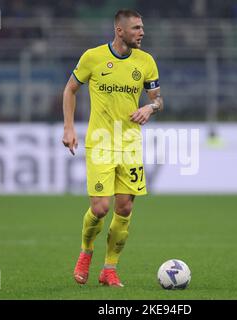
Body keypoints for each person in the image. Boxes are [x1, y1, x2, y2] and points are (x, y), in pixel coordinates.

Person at [62, 9, 163, 287]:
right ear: (120, 31)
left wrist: (150, 107)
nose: (141, 32)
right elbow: (70, 89)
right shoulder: (93, 57)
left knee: (125, 208)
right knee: (100, 207)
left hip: (130, 144)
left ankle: (109, 269)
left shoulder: (146, 62)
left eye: (142, 27)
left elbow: (158, 99)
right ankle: (85, 253)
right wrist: (69, 127)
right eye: (136, 28)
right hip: (101, 143)